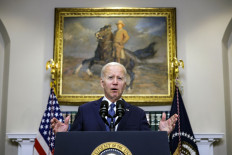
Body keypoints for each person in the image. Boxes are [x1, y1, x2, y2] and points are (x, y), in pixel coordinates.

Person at [51, 62, 178, 134]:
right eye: (110, 77)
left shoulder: (138, 114)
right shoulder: (85, 111)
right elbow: (74, 146)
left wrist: (163, 134)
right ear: (102, 82)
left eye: (120, 78)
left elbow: (147, 146)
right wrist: (63, 136)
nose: (115, 82)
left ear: (125, 83)